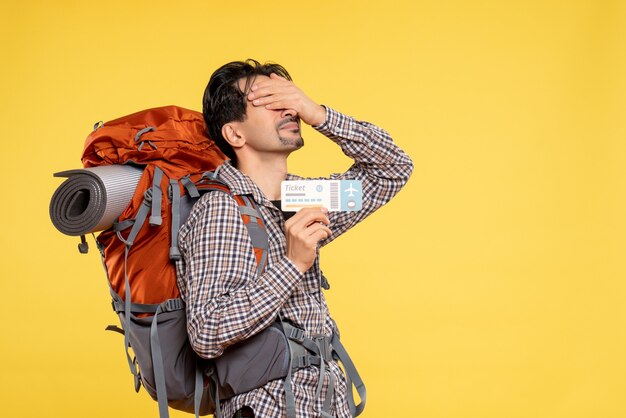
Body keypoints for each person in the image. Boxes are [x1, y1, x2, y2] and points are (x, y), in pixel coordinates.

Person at [176, 59, 414, 418]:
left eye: (288, 99)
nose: (290, 110)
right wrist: (293, 264)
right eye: (271, 104)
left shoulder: (301, 196)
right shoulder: (220, 209)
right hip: (267, 407)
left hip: (325, 401)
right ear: (235, 135)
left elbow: (392, 169)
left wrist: (318, 114)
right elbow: (207, 331)